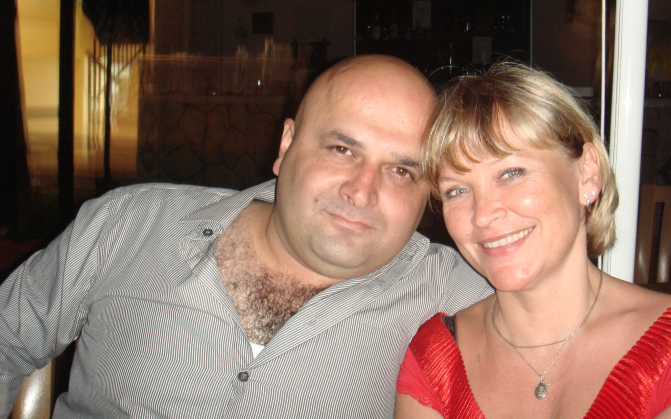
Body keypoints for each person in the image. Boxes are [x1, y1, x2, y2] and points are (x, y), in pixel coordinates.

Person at [0, 54, 492, 418]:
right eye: (342, 149)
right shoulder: (130, 225)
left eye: (402, 171)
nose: (362, 191)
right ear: (286, 144)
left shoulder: (456, 296)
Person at [395, 61, 671, 418]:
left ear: (587, 174)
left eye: (512, 172)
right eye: (457, 190)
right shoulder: (435, 360)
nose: (483, 214)